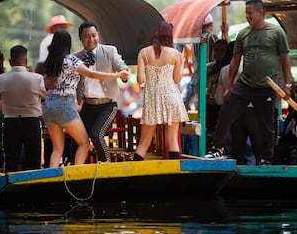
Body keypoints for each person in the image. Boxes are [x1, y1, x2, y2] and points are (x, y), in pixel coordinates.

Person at [205, 0, 293, 165]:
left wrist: (287, 85)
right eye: (246, 13)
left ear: (261, 13)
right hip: (245, 84)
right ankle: (217, 148)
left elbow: (285, 60)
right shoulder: (243, 34)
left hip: (267, 86)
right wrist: (229, 86)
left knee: (266, 125)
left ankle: (266, 158)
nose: (247, 16)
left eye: (250, 13)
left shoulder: (276, 33)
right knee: (226, 109)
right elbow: (235, 61)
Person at [42, 29, 128, 168]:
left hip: (49, 106)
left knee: (57, 149)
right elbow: (92, 74)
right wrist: (116, 75)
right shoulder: (71, 60)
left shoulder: (50, 62)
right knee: (84, 142)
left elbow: (47, 83)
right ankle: (76, 174)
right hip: (65, 105)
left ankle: (53, 179)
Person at [73, 21, 131, 162]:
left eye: (94, 35)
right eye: (86, 36)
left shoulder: (109, 51)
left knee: (96, 135)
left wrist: (125, 74)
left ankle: (106, 166)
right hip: (86, 105)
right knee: (78, 139)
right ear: (80, 37)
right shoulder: (75, 57)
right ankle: (79, 171)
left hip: (107, 104)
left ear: (98, 35)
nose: (91, 39)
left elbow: (122, 66)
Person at [132, 21, 189, 161]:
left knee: (144, 142)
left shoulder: (144, 52)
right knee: (172, 141)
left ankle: (132, 175)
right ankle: (174, 175)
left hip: (152, 98)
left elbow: (140, 79)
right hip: (171, 96)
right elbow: (176, 79)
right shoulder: (175, 54)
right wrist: (180, 63)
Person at [0, 45, 47, 172]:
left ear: (10, 61)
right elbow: (44, 96)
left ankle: (9, 188)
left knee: (11, 161)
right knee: (34, 161)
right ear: (25, 61)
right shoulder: (37, 78)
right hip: (31, 122)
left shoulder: (1, 79)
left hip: (10, 122)